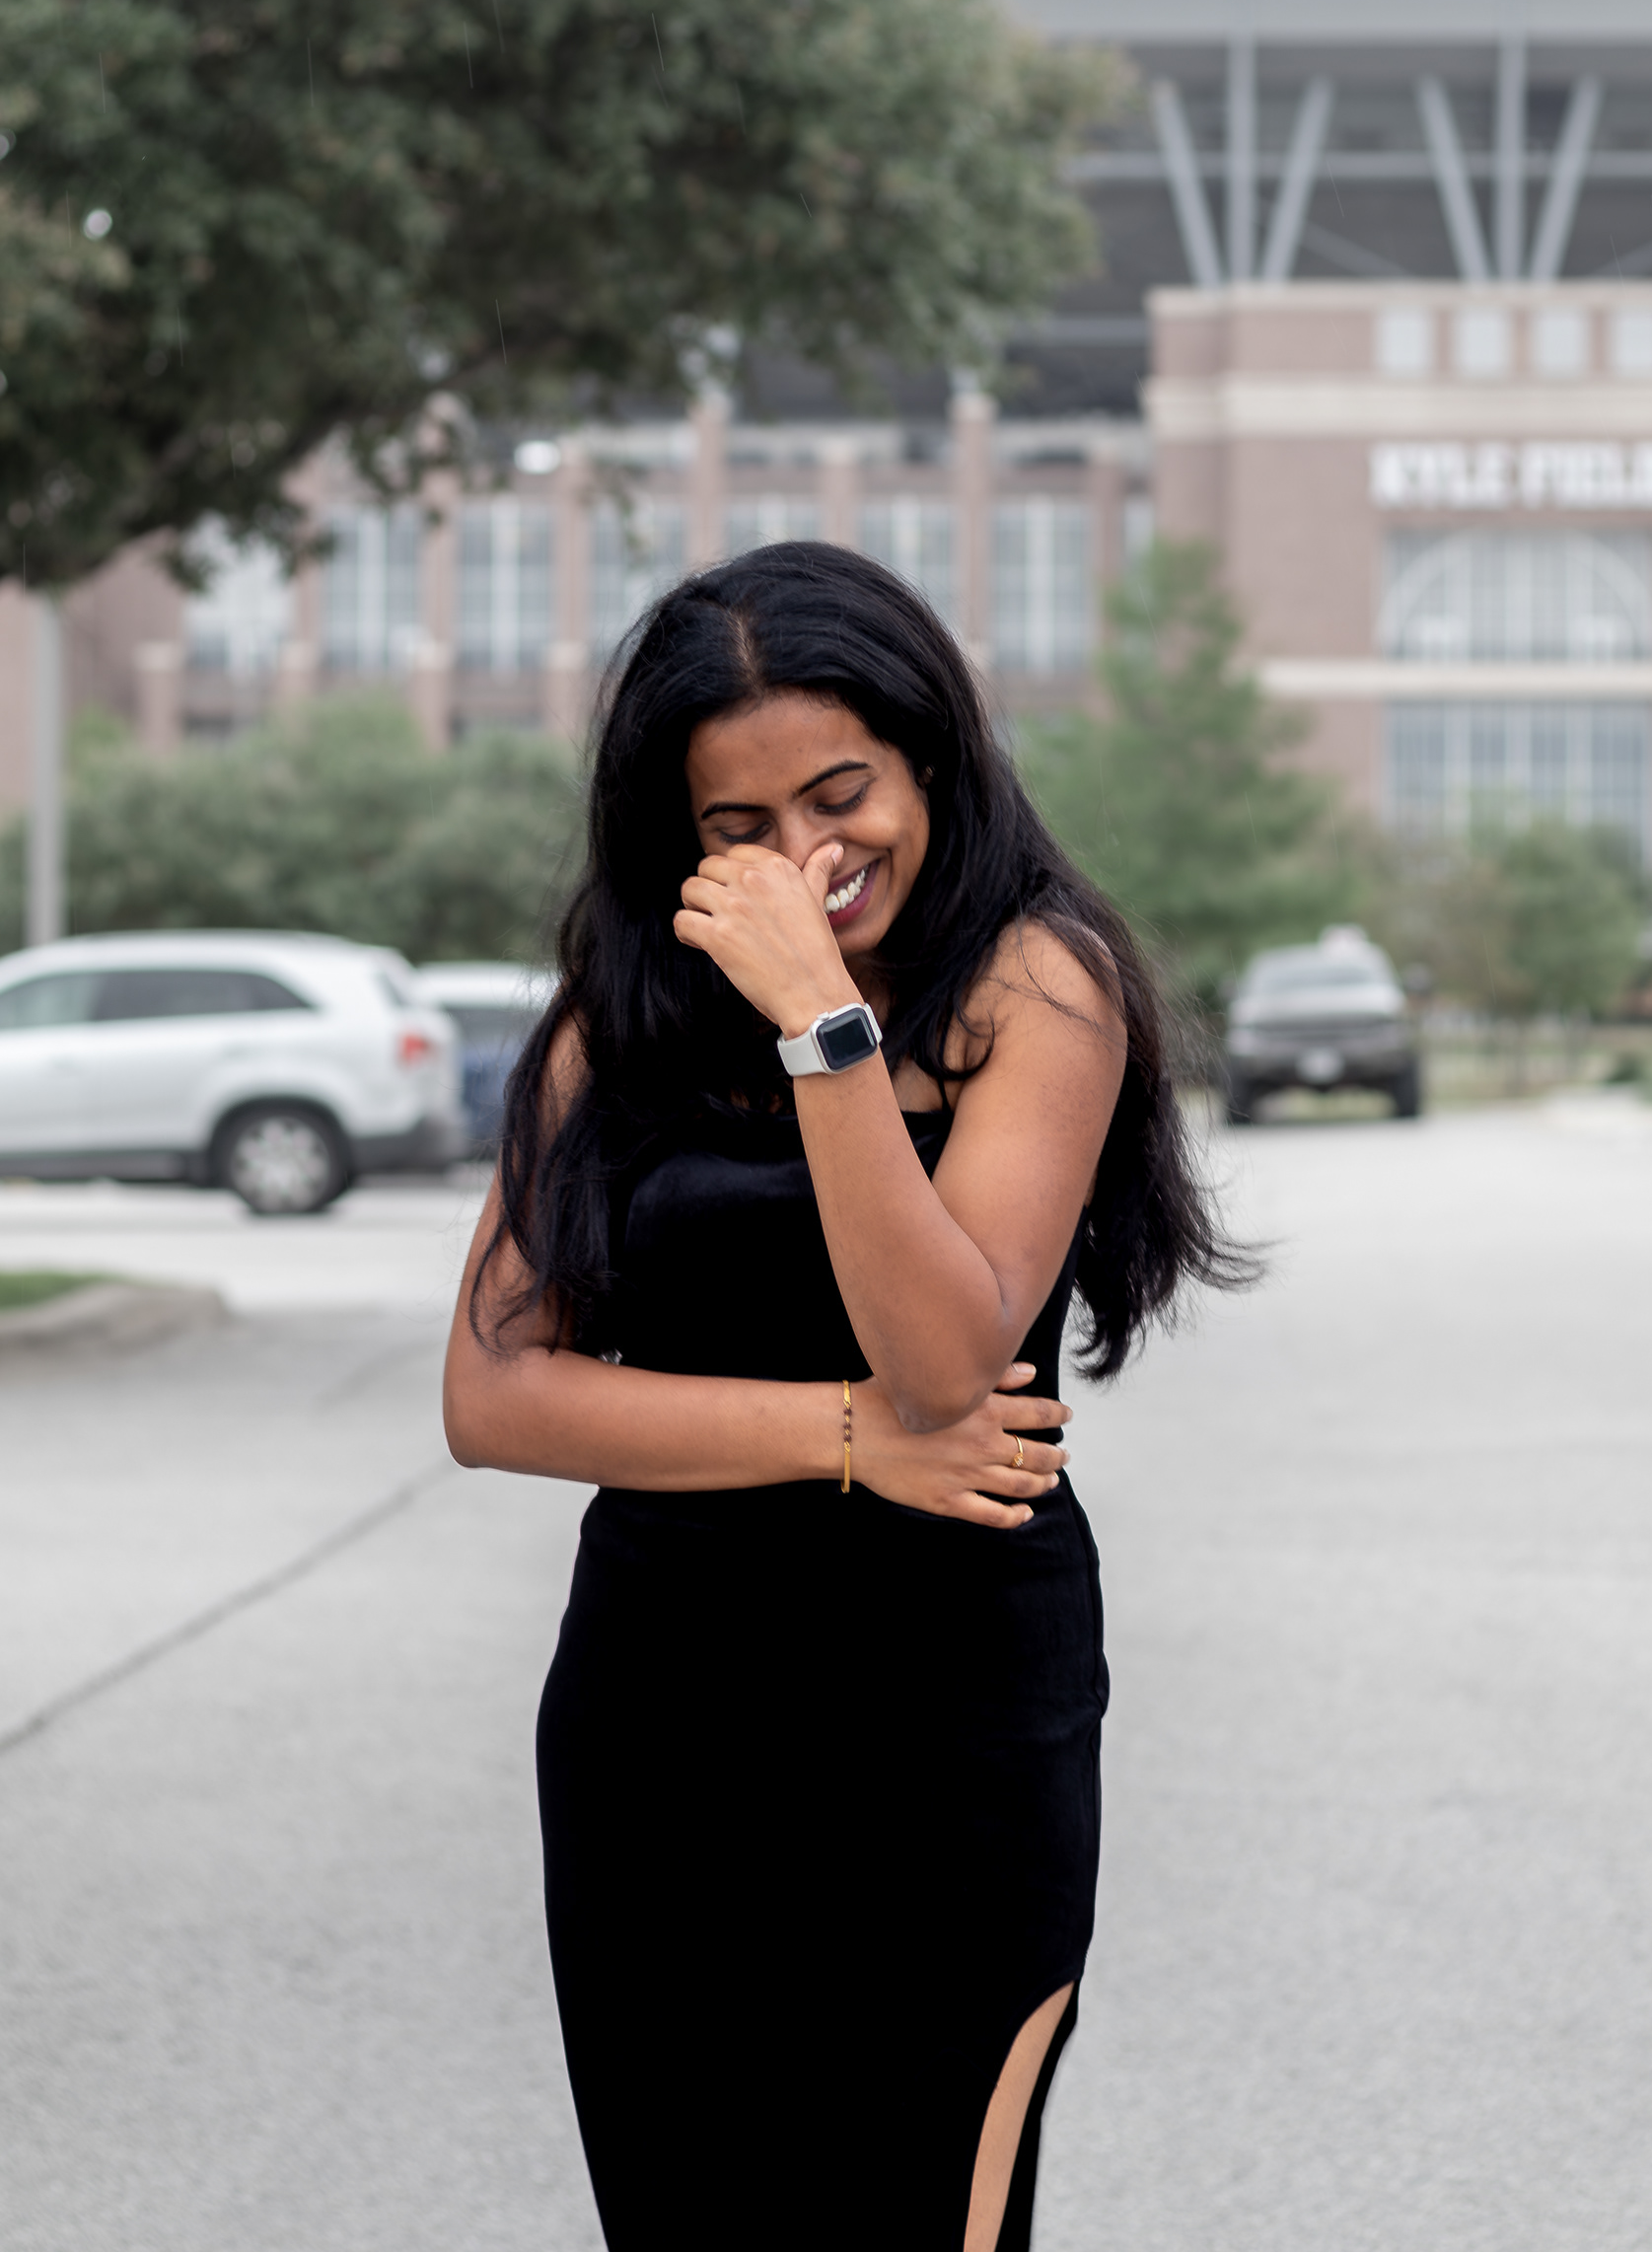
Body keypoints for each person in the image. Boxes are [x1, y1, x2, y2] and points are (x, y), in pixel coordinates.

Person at [443, 542, 1244, 2252]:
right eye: (738, 828)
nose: (805, 857)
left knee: (922, 2214)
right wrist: (841, 1441)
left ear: (929, 764)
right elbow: (494, 1392)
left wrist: (823, 1023)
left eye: (840, 793)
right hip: (661, 1711)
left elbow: (947, 1356)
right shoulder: (625, 1019)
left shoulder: (1041, 985)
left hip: (948, 1706)